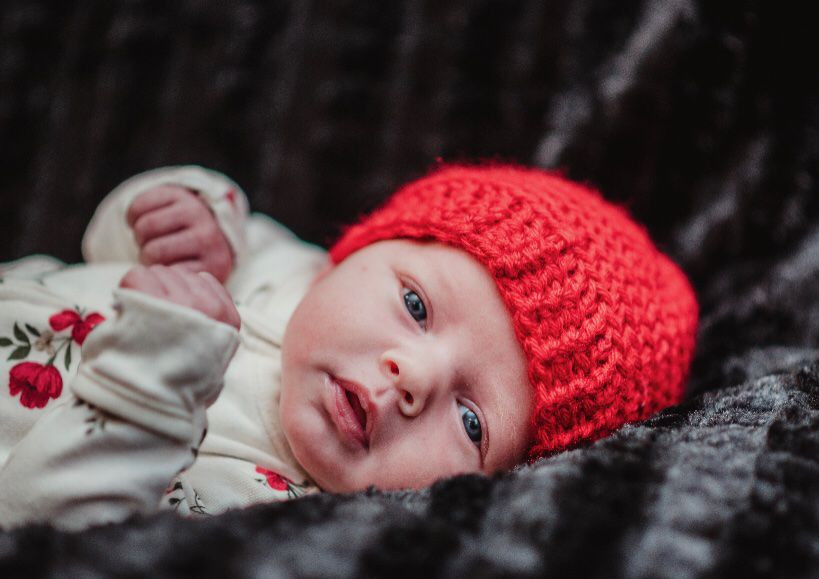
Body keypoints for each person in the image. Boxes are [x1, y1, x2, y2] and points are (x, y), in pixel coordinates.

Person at [0, 164, 699, 530]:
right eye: (416, 305)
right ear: (359, 249)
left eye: (471, 421)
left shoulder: (266, 511)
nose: (412, 376)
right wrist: (170, 214)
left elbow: (48, 531)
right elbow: (105, 254)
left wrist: (148, 384)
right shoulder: (273, 263)